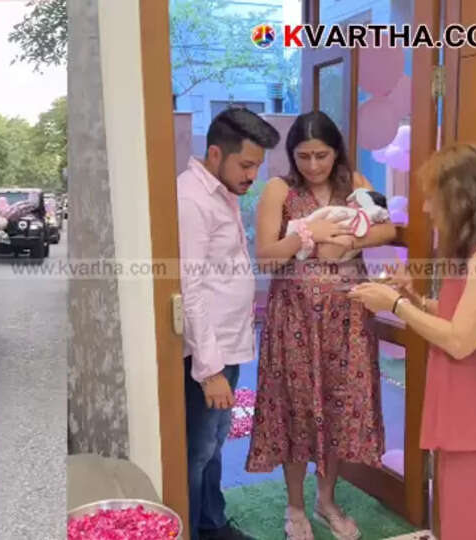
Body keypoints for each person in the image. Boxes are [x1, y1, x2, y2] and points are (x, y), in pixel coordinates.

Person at [348, 144, 476, 540]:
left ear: (460, 195)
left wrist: (395, 304)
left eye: (432, 198)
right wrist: (417, 300)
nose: (425, 209)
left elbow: (461, 340)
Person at [244, 111, 397, 540]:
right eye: (304, 156)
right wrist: (311, 235)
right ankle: (295, 506)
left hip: (347, 320)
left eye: (322, 155)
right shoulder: (280, 189)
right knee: (296, 409)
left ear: (336, 152)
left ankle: (325, 500)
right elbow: (268, 256)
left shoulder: (358, 183)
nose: (313, 165)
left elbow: (387, 231)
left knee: (337, 408)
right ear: (292, 155)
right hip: (294, 320)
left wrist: (347, 240)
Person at [177, 106, 280, 540]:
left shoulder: (222, 193)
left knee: (216, 443)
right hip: (208, 354)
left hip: (230, 345)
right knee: (198, 450)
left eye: (257, 165)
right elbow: (191, 288)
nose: (252, 174)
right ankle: (195, 531)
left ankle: (212, 522)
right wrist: (210, 369)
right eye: (246, 164)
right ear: (216, 154)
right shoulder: (192, 199)